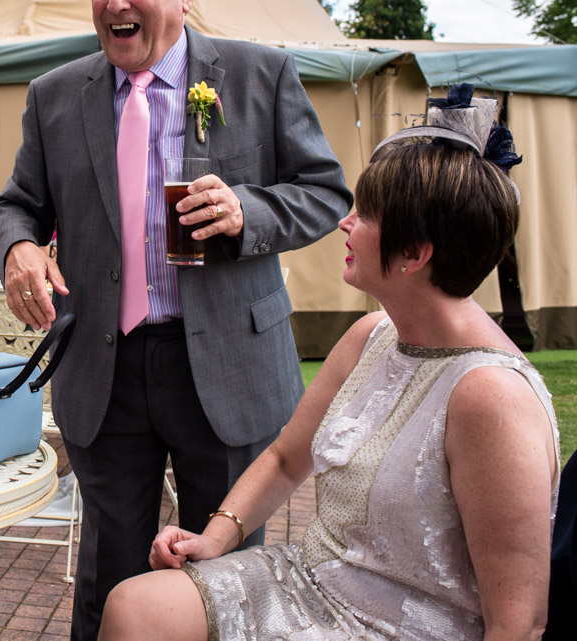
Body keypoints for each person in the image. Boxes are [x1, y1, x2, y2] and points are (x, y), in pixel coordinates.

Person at [0, 0, 352, 639]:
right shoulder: (56, 95)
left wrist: (247, 208)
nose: (116, 0)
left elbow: (326, 192)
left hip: (225, 362)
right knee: (108, 572)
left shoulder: (259, 74)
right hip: (105, 363)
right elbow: (17, 204)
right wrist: (19, 249)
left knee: (223, 573)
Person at [99, 85, 560, 641]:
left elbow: (521, 622)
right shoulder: (372, 335)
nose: (346, 222)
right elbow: (287, 459)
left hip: (401, 626)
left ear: (414, 254)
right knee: (132, 604)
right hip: (310, 579)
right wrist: (213, 539)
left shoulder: (493, 398)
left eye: (366, 215)